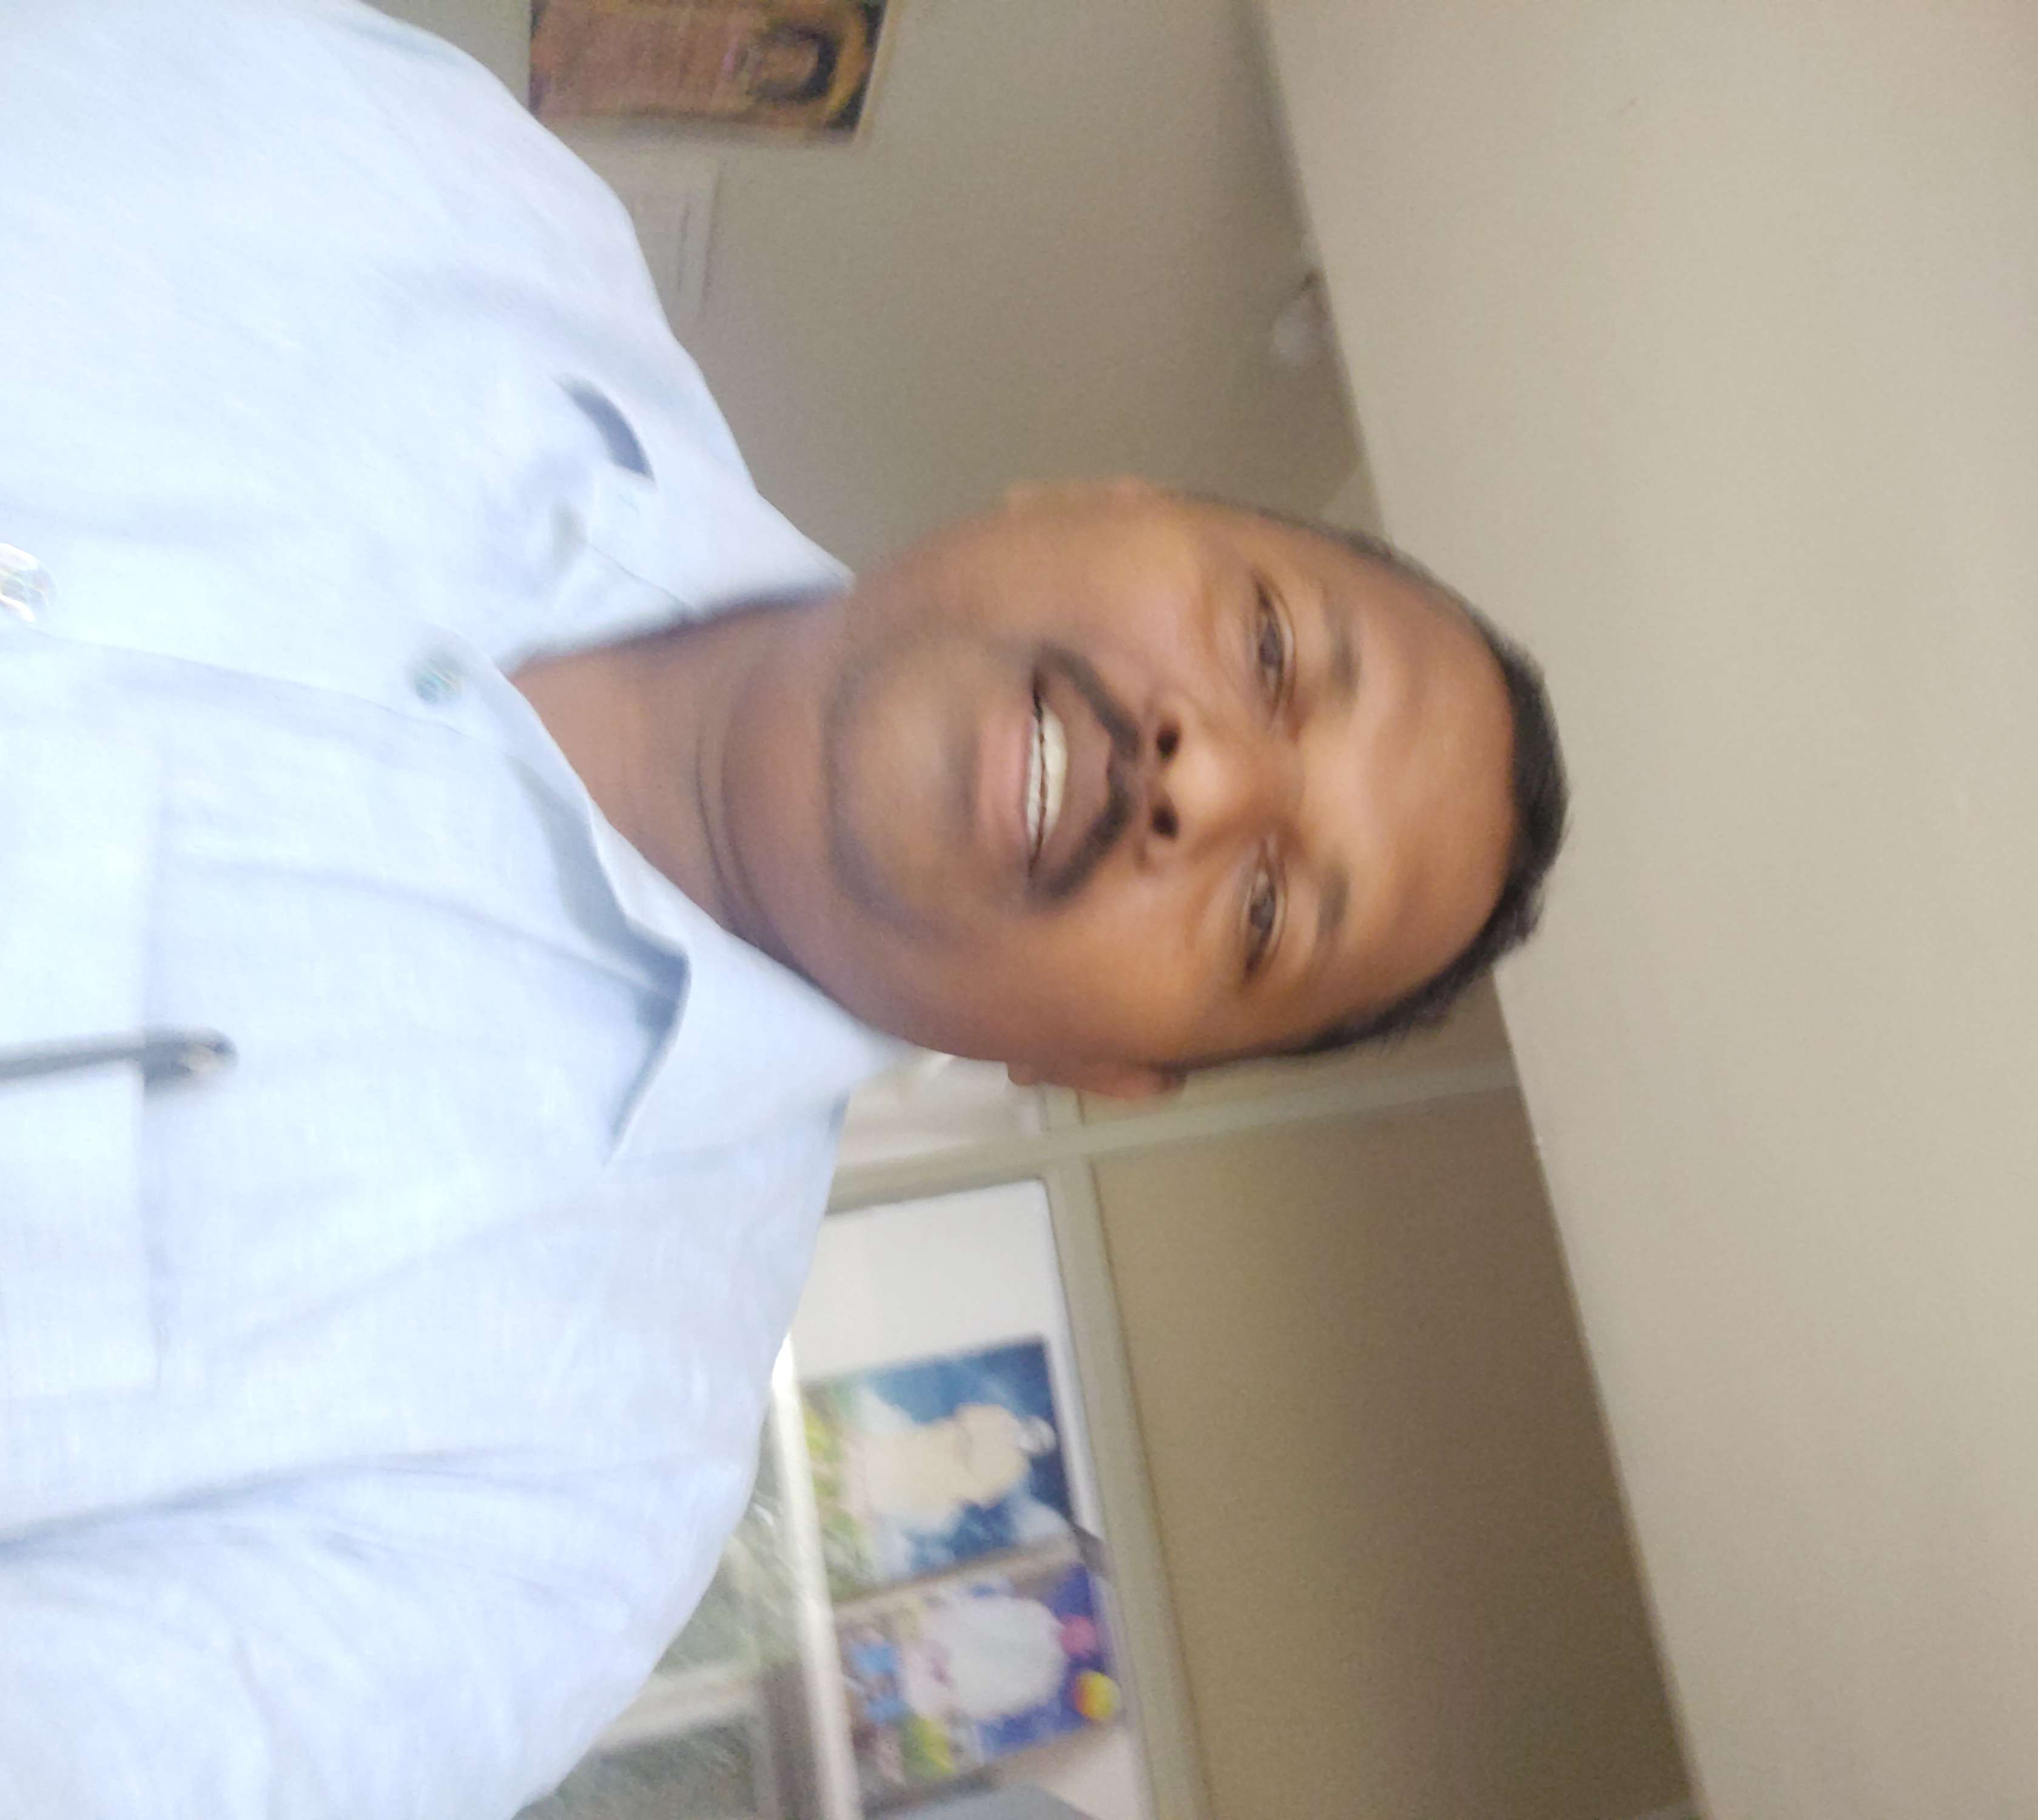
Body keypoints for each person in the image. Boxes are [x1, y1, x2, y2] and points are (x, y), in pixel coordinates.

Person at [0, 1, 1567, 1815]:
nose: (1201, 781)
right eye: (1272, 650)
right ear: (1098, 499)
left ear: (1114, 1075)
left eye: (1270, 912)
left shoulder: (558, 1511)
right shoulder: (439, 186)